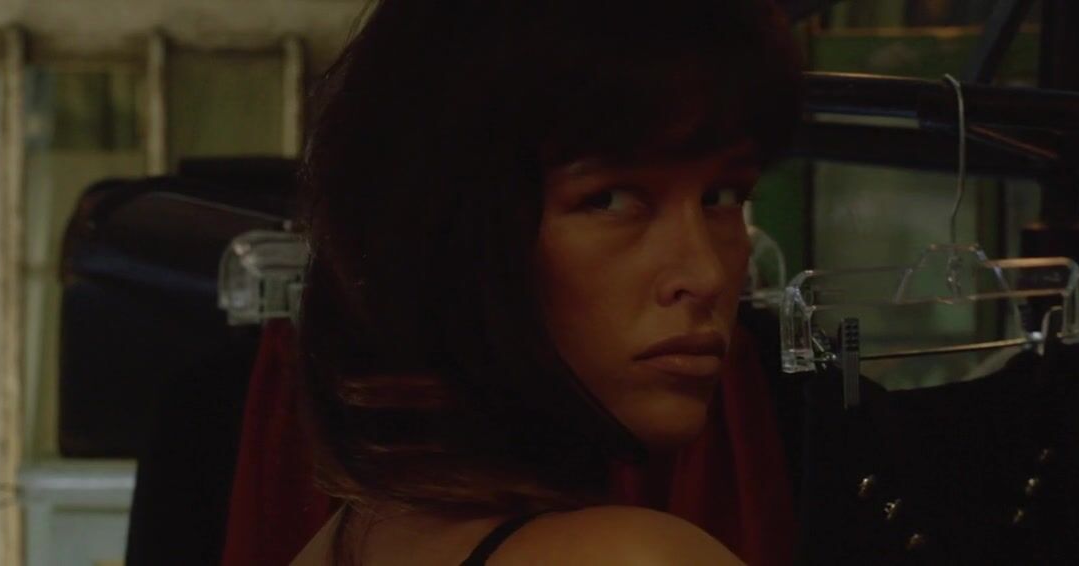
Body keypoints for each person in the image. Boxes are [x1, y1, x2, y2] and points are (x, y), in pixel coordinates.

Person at [290, 0, 803, 563]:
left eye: (723, 197)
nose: (706, 274)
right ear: (447, 232)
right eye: (609, 200)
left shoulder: (354, 535)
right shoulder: (628, 557)